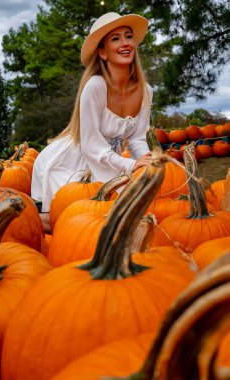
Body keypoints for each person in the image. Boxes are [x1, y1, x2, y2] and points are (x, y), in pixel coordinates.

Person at [31, 11, 153, 232]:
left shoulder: (146, 91)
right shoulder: (95, 86)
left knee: (122, 219)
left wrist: (146, 161)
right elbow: (92, 146)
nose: (125, 43)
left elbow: (137, 138)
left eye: (128, 36)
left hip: (111, 161)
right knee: (71, 223)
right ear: (103, 53)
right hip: (76, 161)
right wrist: (130, 165)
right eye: (115, 39)